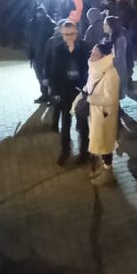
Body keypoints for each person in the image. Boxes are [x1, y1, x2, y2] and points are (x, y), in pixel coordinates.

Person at [46, 20, 89, 165]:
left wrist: (73, 52)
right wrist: (54, 90)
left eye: (71, 34)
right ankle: (65, 152)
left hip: (80, 91)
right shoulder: (58, 48)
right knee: (65, 124)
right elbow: (54, 71)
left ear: (76, 33)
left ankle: (84, 153)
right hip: (65, 91)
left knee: (83, 124)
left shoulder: (83, 47)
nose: (68, 37)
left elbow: (88, 68)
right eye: (65, 35)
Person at [82, 40, 121, 187]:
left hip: (105, 114)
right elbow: (90, 84)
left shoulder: (111, 74)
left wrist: (91, 99)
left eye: (94, 53)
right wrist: (85, 91)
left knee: (105, 143)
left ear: (103, 56)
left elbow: (110, 98)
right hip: (95, 112)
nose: (91, 55)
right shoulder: (95, 68)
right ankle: (104, 168)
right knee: (98, 140)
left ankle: (108, 172)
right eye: (92, 52)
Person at [27, 6, 55, 103]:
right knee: (40, 77)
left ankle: (52, 96)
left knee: (48, 77)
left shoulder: (51, 24)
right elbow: (29, 40)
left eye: (41, 14)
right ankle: (45, 95)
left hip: (47, 57)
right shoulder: (32, 24)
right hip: (35, 56)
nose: (39, 16)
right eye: (37, 14)